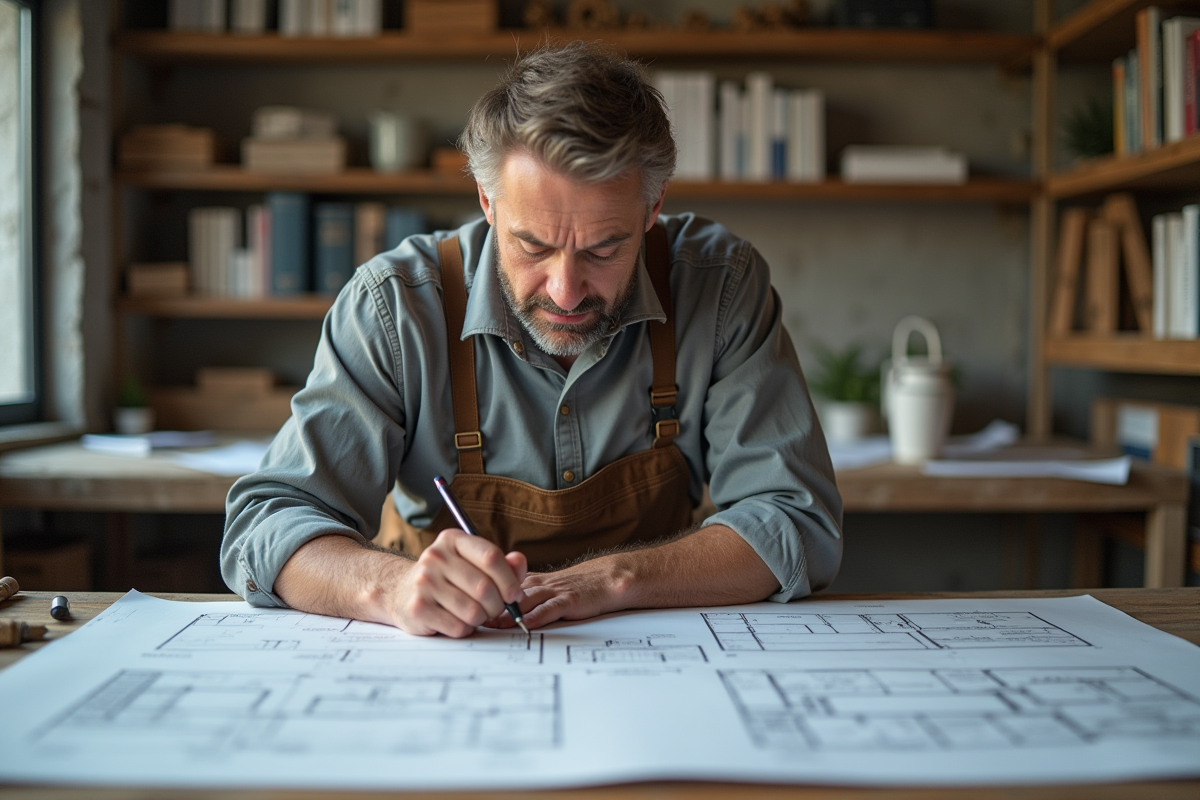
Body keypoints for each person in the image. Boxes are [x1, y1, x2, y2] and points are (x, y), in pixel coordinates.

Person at [221, 42, 843, 638]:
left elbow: (794, 521)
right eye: (533, 246)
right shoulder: (396, 307)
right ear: (488, 203)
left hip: (653, 660)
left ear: (652, 210)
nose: (567, 292)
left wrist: (613, 579)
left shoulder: (720, 287)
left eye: (605, 248)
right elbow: (268, 525)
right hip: (448, 659)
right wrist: (392, 587)